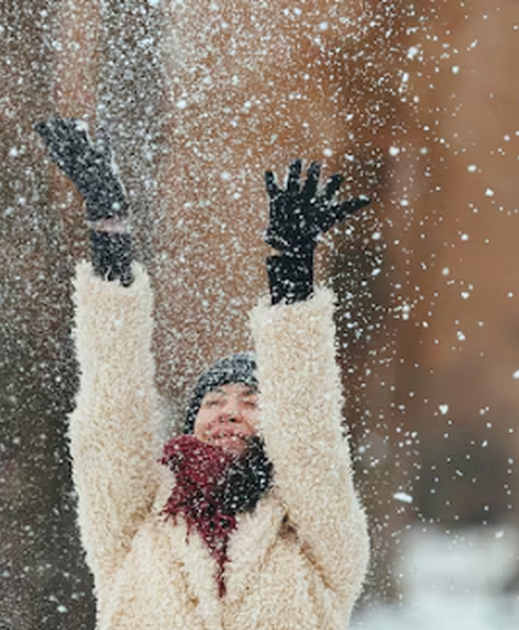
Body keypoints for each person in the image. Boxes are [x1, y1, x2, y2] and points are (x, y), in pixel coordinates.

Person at [37, 117, 371, 630]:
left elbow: (309, 432)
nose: (228, 412)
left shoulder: (314, 537)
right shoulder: (137, 522)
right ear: (190, 421)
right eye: (213, 401)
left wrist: (292, 279)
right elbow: (111, 409)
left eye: (251, 400)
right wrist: (108, 234)